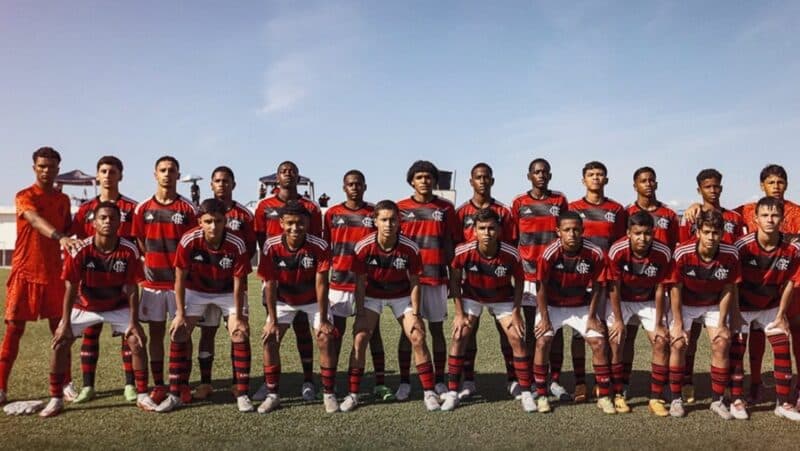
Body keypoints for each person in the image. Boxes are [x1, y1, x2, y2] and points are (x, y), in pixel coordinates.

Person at [40, 202, 156, 416]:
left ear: (120, 223)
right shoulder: (81, 250)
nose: (108, 222)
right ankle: (56, 398)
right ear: (93, 223)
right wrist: (64, 323)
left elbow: (132, 288)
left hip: (116, 305)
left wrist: (134, 322)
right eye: (103, 218)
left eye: (112, 218)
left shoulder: (128, 250)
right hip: (85, 305)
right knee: (59, 343)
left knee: (137, 341)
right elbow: (71, 288)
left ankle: (142, 395)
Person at [339, 200, 440, 412]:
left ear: (399, 221)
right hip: (373, 296)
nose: (388, 224)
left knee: (418, 336)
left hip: (401, 296)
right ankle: (353, 394)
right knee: (360, 338)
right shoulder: (363, 246)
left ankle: (429, 392)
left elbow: (414, 282)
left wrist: (416, 312)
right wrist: (359, 313)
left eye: (393, 219)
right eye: (384, 219)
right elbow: (359, 283)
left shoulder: (409, 247)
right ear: (375, 221)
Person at [155, 199, 253, 413]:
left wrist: (240, 317)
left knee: (239, 333)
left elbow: (239, 284)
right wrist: (180, 314)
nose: (213, 226)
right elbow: (179, 279)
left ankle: (243, 393)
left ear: (225, 221)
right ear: (199, 221)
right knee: (178, 331)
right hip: (197, 291)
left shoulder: (236, 243)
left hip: (228, 292)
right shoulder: (189, 240)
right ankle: (174, 395)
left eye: (218, 221)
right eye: (208, 221)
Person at [1, 147, 80, 405]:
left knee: (61, 331)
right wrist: (60, 237)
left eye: (51, 167)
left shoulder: (63, 200)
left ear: (58, 169)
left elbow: (70, 228)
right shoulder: (24, 195)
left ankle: (65, 382)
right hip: (24, 273)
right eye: (42, 166)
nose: (47, 171)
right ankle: (1, 387)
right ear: (34, 167)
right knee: (14, 331)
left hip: (54, 276)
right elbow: (34, 220)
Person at [441, 208, 536, 412]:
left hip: (502, 297)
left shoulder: (511, 253)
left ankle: (526, 391)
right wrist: (459, 314)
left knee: (517, 337)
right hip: (472, 297)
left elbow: (519, 282)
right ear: (474, 230)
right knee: (459, 336)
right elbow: (455, 282)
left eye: (491, 228)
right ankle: (452, 391)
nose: (487, 233)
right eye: (482, 228)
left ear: (499, 230)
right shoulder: (463, 251)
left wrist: (517, 312)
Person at [257, 201, 340, 413]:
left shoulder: (319, 246)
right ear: (282, 223)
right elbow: (270, 284)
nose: (295, 228)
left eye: (300, 223)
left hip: (312, 300)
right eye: (290, 223)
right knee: (270, 338)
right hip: (284, 301)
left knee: (325, 337)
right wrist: (273, 321)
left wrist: (322, 319)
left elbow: (322, 283)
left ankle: (329, 393)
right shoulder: (271, 245)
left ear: (307, 223)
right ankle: (273, 394)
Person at [69, 155, 139, 403]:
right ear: (97, 176)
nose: (108, 176)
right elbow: (74, 242)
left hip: (122, 276)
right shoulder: (86, 210)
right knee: (90, 331)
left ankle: (130, 385)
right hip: (92, 280)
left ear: (121, 175)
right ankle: (89, 386)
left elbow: (140, 240)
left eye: (112, 171)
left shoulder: (133, 208)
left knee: (126, 333)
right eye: (103, 171)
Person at [532, 211, 616, 414]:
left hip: (580, 306)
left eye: (576, 229)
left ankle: (604, 396)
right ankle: (542, 395)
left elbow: (598, 286)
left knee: (599, 342)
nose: (572, 234)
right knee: (543, 341)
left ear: (583, 230)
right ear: (558, 231)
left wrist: (592, 316)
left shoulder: (594, 253)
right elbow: (540, 286)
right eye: (567, 230)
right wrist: (544, 318)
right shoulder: (549, 253)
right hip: (552, 305)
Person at [253, 161, 321, 402]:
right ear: (277, 177)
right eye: (284, 171)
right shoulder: (264, 206)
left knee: (304, 328)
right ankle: (270, 384)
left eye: (292, 171)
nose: (288, 175)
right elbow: (261, 238)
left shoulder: (311, 207)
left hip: (303, 274)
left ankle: (308, 380)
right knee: (273, 331)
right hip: (276, 273)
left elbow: (315, 238)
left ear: (298, 176)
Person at [455, 163, 525, 401]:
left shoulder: (504, 212)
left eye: (486, 177)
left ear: (492, 181)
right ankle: (468, 380)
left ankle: (514, 380)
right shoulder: (461, 212)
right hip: (472, 281)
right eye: (478, 177)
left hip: (500, 284)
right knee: (467, 332)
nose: (482, 181)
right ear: (471, 181)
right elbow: (457, 246)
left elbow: (512, 246)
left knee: (508, 333)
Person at [132, 156, 197, 404]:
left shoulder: (188, 209)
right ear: (155, 174)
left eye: (171, 170)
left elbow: (192, 244)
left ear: (178, 176)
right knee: (157, 334)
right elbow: (140, 240)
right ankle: (159, 384)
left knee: (183, 334)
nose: (167, 174)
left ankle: (183, 384)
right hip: (152, 285)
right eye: (162, 170)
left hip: (181, 285)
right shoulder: (143, 208)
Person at [677, 169, 745, 404]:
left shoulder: (734, 218)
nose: (713, 191)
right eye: (708, 187)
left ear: (721, 188)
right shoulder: (691, 216)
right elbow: (685, 249)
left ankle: (725, 386)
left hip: (722, 285)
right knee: (689, 339)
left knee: (725, 338)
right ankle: (686, 381)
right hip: (693, 285)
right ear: (699, 190)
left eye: (716, 186)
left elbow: (737, 251)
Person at [323, 170, 391, 401]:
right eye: (350, 184)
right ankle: (337, 381)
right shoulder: (332, 213)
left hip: (368, 284)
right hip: (339, 283)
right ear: (344, 187)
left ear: (365, 186)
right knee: (336, 333)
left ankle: (380, 382)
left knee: (372, 332)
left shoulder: (373, 213)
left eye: (358, 184)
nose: (354, 187)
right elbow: (326, 245)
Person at [396, 160, 460, 400]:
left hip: (436, 278)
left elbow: (451, 244)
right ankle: (404, 381)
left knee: (436, 330)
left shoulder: (445, 208)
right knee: (408, 332)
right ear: (412, 181)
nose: (424, 181)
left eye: (428, 177)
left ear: (435, 181)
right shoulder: (400, 208)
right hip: (408, 282)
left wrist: (453, 278)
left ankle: (440, 380)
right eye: (419, 177)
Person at [731, 197, 800, 420]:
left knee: (782, 348)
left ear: (782, 218)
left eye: (775, 215)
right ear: (756, 218)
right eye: (765, 215)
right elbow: (731, 283)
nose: (770, 219)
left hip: (771, 307)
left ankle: (783, 404)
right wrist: (734, 314)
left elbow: (791, 281)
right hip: (743, 306)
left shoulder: (791, 249)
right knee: (737, 350)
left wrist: (781, 315)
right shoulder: (742, 246)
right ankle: (736, 399)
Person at [667, 209, 740, 419]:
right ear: (698, 232)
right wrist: (679, 323)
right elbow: (675, 289)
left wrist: (724, 322)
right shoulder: (682, 252)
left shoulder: (730, 253)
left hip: (713, 304)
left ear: (722, 233)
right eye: (706, 232)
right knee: (678, 343)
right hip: (687, 304)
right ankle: (675, 399)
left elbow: (728, 288)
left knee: (721, 342)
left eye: (715, 233)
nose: (711, 237)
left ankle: (717, 401)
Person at [193, 166, 256, 401]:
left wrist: (229, 266)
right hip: (204, 285)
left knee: (238, 332)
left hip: (232, 285)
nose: (222, 184)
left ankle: (237, 383)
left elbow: (249, 249)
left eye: (226, 181)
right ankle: (206, 383)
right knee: (207, 333)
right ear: (211, 185)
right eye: (217, 181)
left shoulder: (243, 215)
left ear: (233, 185)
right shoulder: (200, 211)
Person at [617, 167, 679, 404]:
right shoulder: (626, 212)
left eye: (652, 180)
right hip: (628, 287)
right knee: (626, 338)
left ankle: (661, 387)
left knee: (661, 338)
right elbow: (621, 244)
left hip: (656, 285)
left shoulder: (669, 214)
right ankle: (622, 383)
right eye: (643, 181)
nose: (649, 184)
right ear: (635, 185)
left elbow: (673, 247)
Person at [566, 161, 627, 402]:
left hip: (609, 280)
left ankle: (608, 382)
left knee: (611, 332)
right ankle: (580, 382)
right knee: (579, 335)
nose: (596, 178)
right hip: (581, 279)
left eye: (600, 174)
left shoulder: (617, 209)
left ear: (607, 179)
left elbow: (622, 244)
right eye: (591, 175)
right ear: (583, 180)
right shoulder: (573, 207)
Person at [511, 158, 571, 401]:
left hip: (554, 275)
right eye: (536, 172)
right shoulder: (519, 202)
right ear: (529, 176)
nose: (541, 176)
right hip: (527, 274)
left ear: (550, 175)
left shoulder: (559, 200)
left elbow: (565, 232)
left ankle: (554, 380)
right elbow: (513, 237)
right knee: (530, 330)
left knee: (554, 329)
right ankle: (532, 381)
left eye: (545, 172)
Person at [606, 211, 673, 415]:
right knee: (617, 340)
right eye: (637, 233)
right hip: (622, 300)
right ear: (628, 233)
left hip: (649, 300)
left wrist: (660, 322)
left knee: (661, 340)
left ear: (653, 233)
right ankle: (618, 393)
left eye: (647, 233)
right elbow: (614, 287)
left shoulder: (662, 252)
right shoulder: (617, 250)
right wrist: (618, 320)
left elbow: (661, 288)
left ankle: (656, 396)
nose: (642, 238)